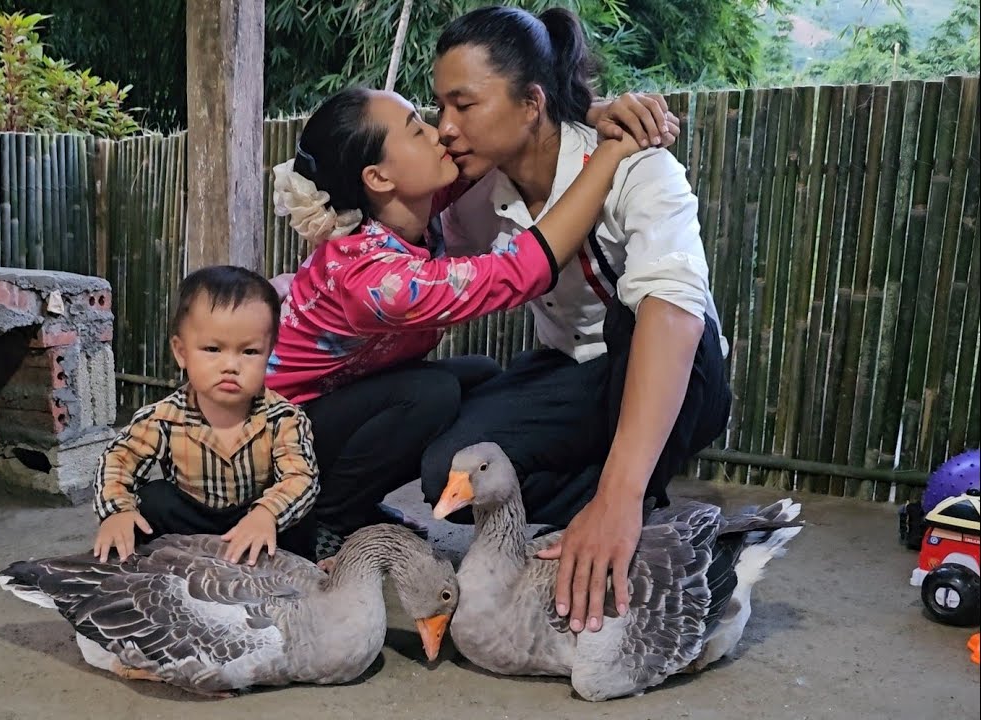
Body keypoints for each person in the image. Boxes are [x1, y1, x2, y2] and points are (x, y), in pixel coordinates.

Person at [421, 5, 733, 634]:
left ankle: (624, 496)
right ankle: (617, 496)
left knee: (643, 309)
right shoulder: (477, 197)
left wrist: (616, 498)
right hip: (569, 373)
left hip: (675, 373)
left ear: (532, 103)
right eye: (440, 107)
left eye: (464, 105)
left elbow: (676, 314)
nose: (445, 128)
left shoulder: (639, 164)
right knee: (448, 473)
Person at [264, 85, 671, 558]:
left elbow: (494, 146)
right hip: (277, 439)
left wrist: (584, 111)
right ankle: (326, 515)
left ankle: (351, 505)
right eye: (418, 130)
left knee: (477, 376)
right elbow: (523, 271)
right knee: (428, 397)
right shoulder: (375, 279)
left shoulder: (409, 215)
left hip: (334, 409)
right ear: (378, 177)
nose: (440, 133)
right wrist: (611, 152)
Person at [92, 265, 320, 565]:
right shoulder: (162, 417)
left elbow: (300, 477)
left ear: (269, 353)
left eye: (249, 352)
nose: (231, 365)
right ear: (181, 352)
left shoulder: (284, 418)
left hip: (253, 520)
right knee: (153, 500)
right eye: (213, 349)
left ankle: (299, 583)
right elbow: (117, 461)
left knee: (300, 513)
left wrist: (267, 513)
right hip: (190, 525)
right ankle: (150, 574)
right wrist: (116, 510)